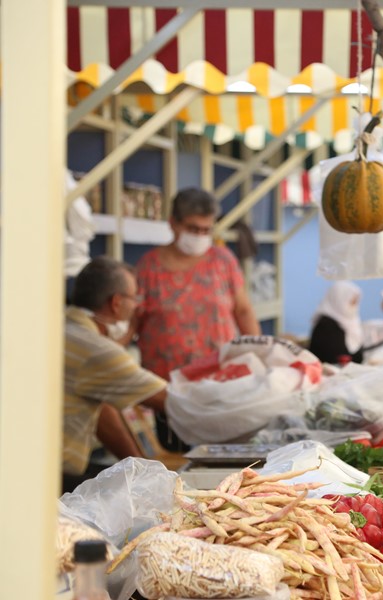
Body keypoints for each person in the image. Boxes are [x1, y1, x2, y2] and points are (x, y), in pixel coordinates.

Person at [135, 188, 260, 450]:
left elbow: (244, 311)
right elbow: (132, 321)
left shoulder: (222, 261)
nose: (200, 236)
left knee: (220, 458)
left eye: (206, 230)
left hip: (218, 386)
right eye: (193, 229)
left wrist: (260, 357)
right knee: (177, 461)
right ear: (173, 223)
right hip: (168, 393)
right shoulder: (148, 267)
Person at [63, 257, 167, 492]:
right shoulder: (95, 349)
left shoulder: (67, 329)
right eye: (134, 298)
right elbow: (170, 401)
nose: (137, 306)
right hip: (54, 475)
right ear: (117, 302)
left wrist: (141, 469)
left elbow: (103, 410)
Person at [309, 281, 365, 365]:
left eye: (356, 302)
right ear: (338, 299)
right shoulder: (325, 325)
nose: (354, 307)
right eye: (351, 302)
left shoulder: (352, 323)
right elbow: (333, 358)